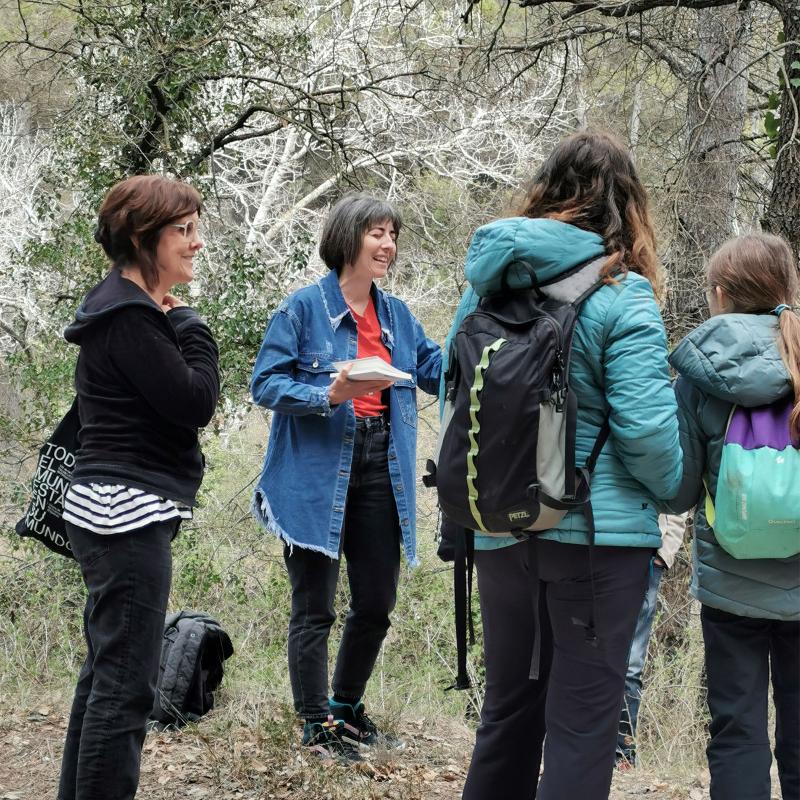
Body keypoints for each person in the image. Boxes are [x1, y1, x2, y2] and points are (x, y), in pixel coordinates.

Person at [444, 130, 683, 800]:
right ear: (627, 205)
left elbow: (450, 400)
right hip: (596, 545)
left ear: (546, 193)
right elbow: (647, 435)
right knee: (581, 732)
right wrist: (676, 488)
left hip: (498, 531)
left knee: (507, 720)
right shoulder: (623, 292)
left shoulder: (484, 291)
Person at [250, 193, 441, 761]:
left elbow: (436, 371)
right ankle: (315, 724)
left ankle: (344, 707)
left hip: (383, 466)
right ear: (347, 238)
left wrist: (481, 328)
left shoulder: (399, 316)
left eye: (392, 235)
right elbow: (266, 383)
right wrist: (328, 395)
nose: (388, 245)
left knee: (377, 602)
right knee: (315, 607)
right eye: (377, 233)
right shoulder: (302, 309)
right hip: (316, 469)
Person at [58, 175, 220, 800]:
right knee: (127, 687)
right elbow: (194, 400)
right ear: (142, 237)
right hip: (124, 514)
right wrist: (194, 328)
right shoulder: (131, 316)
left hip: (107, 507)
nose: (196, 243)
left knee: (106, 672)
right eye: (184, 230)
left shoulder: (122, 309)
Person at [667, 233, 800, 800]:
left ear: (719, 294)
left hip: (730, 583)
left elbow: (676, 491)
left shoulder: (701, 373)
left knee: (737, 730)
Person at [616, 512, 687, 768]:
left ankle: (623, 757)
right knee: (588, 658)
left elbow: (678, 507)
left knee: (631, 665)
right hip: (599, 551)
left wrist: (663, 556)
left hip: (647, 559)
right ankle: (586, 750)